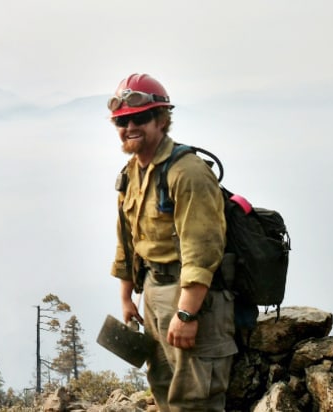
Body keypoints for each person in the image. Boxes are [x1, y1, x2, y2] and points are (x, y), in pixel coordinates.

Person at [108, 73, 237, 411]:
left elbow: (203, 248)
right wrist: (126, 295)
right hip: (153, 292)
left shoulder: (187, 172)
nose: (130, 126)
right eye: (122, 121)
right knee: (164, 390)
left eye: (140, 118)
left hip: (192, 296)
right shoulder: (130, 173)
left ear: (162, 120)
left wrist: (187, 313)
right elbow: (127, 238)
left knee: (195, 399)